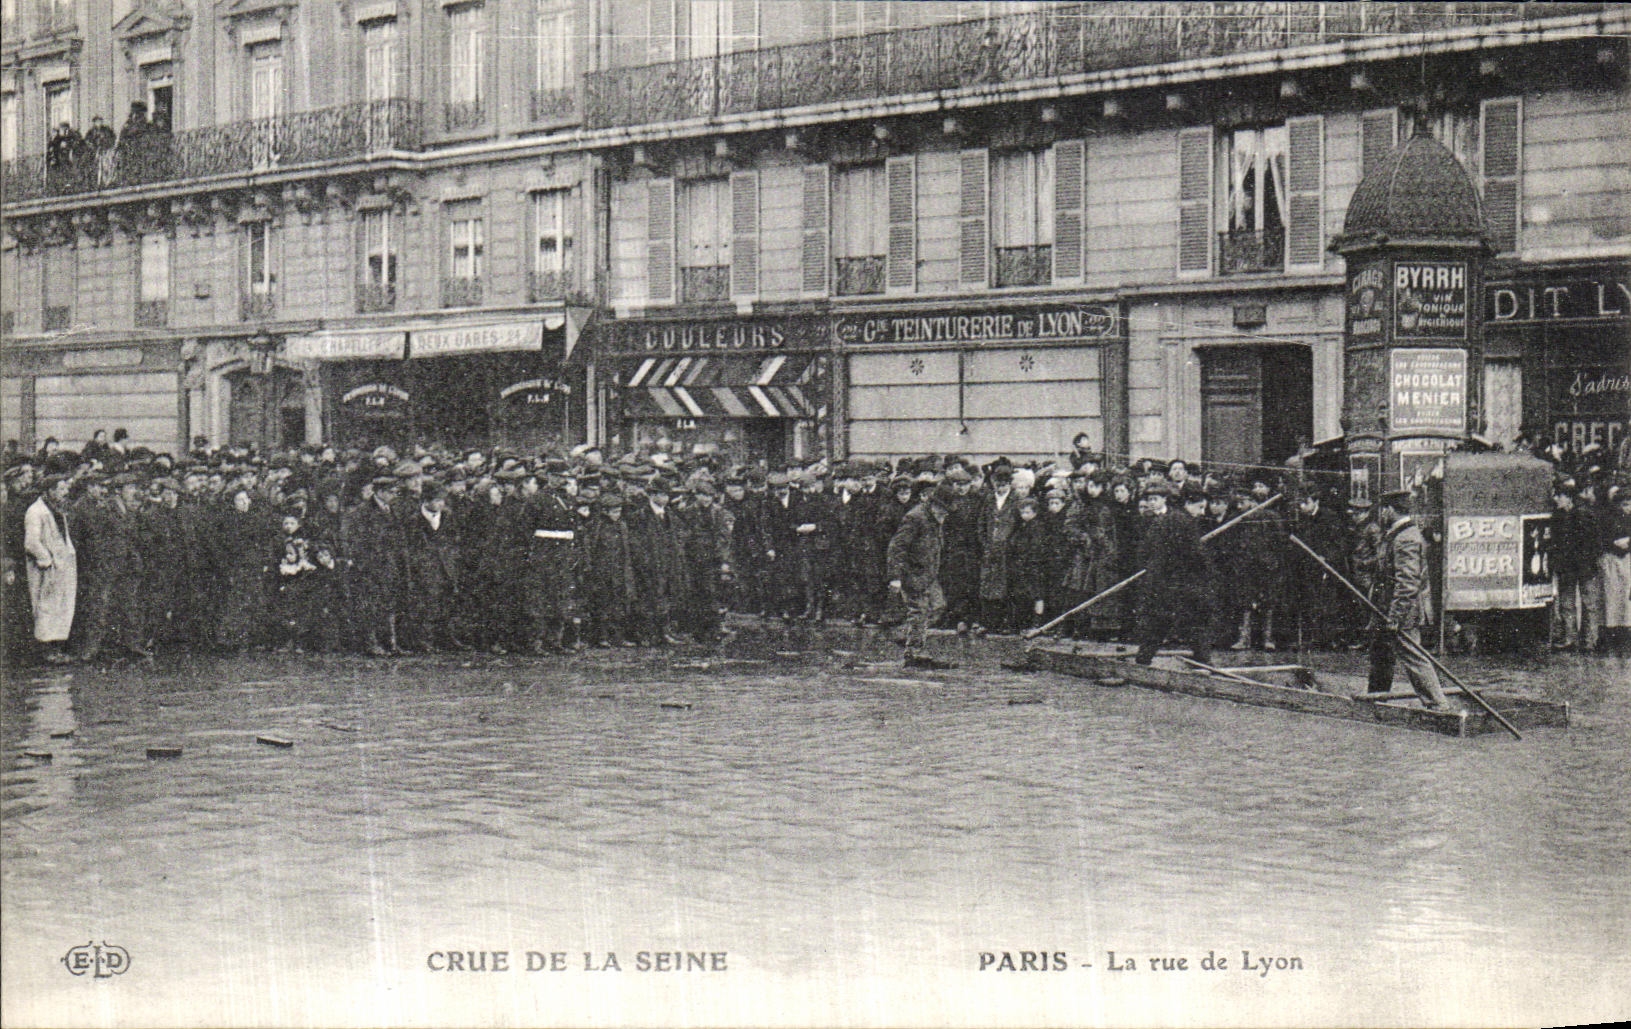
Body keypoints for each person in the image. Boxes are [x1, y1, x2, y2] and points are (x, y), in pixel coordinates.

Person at [1366, 489, 1450, 708]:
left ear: (1390, 510)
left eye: (1383, 509)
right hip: (1385, 607)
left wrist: (1396, 616)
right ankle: (1376, 699)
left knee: (1412, 654)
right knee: (1381, 653)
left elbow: (1407, 582)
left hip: (1401, 610)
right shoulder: (1396, 533)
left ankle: (1437, 704)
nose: (1381, 514)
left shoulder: (1406, 538)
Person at [1132, 483, 1214, 667]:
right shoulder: (1185, 522)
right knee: (1193, 620)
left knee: (1159, 621)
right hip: (1179, 581)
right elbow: (1196, 555)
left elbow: (1144, 550)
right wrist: (1207, 572)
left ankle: (1143, 658)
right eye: (1200, 507)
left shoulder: (1165, 519)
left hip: (1160, 580)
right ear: (1188, 504)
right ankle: (1203, 660)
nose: (1202, 513)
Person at [887, 482, 958, 670]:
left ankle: (906, 634)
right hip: (913, 572)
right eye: (943, 509)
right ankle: (914, 652)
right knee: (920, 611)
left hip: (928, 573)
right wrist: (895, 577)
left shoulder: (936, 518)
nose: (945, 514)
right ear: (934, 504)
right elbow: (897, 547)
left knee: (938, 606)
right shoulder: (915, 517)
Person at [23, 475, 77, 663]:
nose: (65, 492)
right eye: (61, 489)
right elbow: (31, 542)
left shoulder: (57, 511)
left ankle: (57, 649)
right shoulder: (35, 511)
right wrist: (46, 560)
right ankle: (46, 651)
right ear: (50, 491)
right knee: (45, 607)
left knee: (61, 607)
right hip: (46, 569)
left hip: (62, 567)